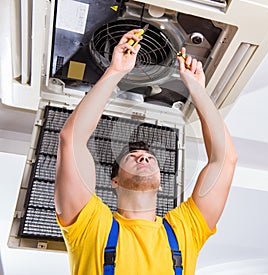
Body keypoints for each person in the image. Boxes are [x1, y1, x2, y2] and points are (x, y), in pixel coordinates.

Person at [55, 29, 238, 275]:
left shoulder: (183, 230)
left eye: (150, 158)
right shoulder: (91, 225)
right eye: (133, 157)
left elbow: (225, 160)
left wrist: (198, 91)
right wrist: (115, 71)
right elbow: (72, 140)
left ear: (161, 184)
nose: (144, 157)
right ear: (115, 181)